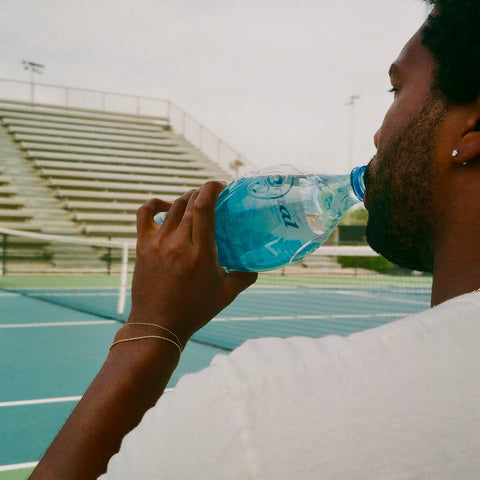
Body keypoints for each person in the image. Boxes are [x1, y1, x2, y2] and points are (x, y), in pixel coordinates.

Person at [30, 1, 480, 478]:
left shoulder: (254, 412)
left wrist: (150, 332)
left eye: (396, 89)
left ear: (472, 130)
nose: (376, 134)